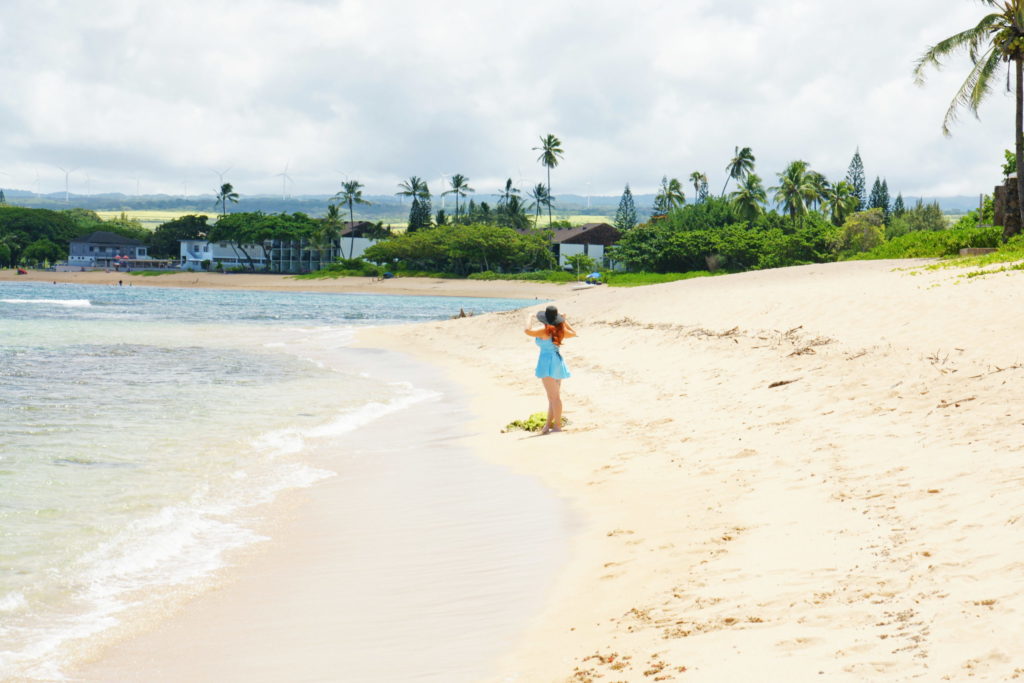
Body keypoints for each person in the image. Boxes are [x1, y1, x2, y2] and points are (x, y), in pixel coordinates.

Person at [524, 305, 577, 434]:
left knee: (554, 398)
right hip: (557, 361)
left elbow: (527, 330)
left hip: (547, 362)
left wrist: (529, 317)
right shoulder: (560, 330)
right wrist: (564, 320)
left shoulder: (543, 330)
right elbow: (574, 333)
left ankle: (557, 426)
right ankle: (548, 425)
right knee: (553, 397)